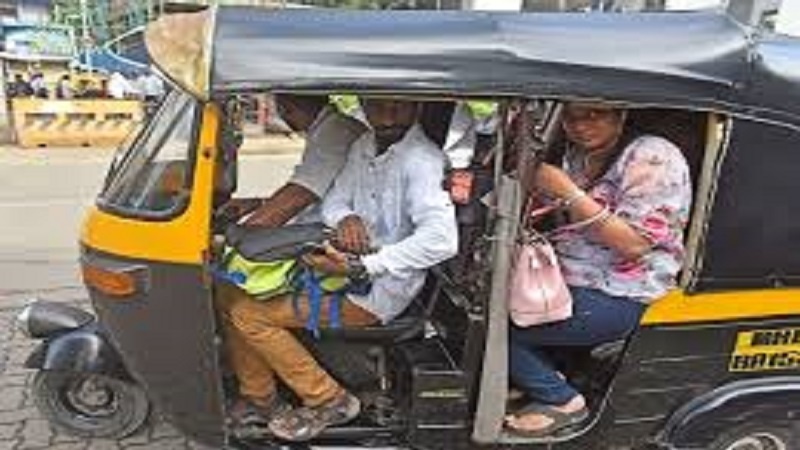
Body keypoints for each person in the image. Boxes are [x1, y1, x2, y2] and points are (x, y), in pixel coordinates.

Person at [220, 98, 459, 442]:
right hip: (336, 272)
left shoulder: (421, 160)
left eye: (399, 106)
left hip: (376, 293)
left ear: (416, 105)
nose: (388, 116)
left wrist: (364, 265)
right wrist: (346, 217)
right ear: (363, 104)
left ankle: (329, 399)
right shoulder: (364, 146)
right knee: (230, 291)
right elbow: (334, 200)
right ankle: (259, 398)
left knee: (249, 315)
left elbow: (441, 241)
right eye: (378, 106)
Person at [505, 102, 692, 436]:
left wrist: (568, 192)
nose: (581, 126)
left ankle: (561, 400)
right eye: (572, 117)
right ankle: (540, 374)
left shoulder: (652, 157)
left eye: (595, 115)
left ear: (621, 114)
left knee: (498, 326)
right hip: (566, 275)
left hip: (623, 291)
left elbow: (633, 244)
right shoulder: (576, 154)